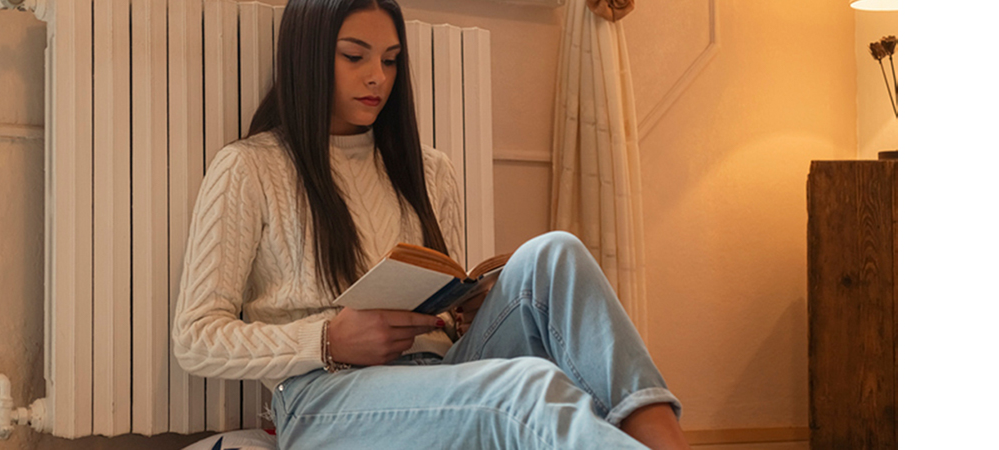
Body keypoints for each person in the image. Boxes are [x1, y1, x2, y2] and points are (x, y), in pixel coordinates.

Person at [172, 0, 689, 448]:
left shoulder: (430, 169)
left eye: (391, 60)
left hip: (439, 371)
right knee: (525, 387)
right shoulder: (250, 167)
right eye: (354, 56)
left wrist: (466, 307)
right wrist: (326, 339)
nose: (378, 76)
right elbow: (195, 338)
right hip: (321, 398)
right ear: (308, 56)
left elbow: (445, 305)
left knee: (555, 252)